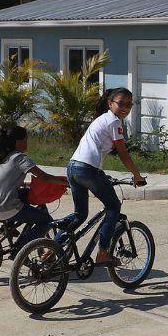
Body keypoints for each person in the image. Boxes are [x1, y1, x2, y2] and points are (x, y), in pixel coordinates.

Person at [62, 88, 146, 269]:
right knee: (113, 206)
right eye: (121, 103)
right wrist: (136, 175)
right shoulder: (115, 122)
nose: (125, 107)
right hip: (88, 170)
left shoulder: (101, 119)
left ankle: (51, 248)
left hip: (73, 167)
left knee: (80, 214)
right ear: (110, 103)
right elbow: (123, 153)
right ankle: (103, 253)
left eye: (129, 104)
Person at [0, 125, 68, 251]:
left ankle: (8, 226)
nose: (27, 142)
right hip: (6, 206)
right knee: (45, 220)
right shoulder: (20, 158)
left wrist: (28, 184)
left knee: (25, 193)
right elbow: (44, 177)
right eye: (26, 139)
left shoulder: (3, 157)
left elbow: (7, 182)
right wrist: (64, 182)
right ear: (18, 142)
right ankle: (20, 249)